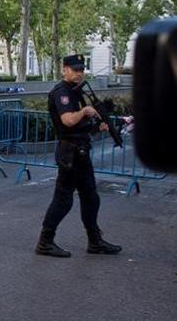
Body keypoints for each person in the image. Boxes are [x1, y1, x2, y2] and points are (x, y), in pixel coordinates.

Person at [35, 54, 122, 258]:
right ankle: (45, 241)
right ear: (64, 69)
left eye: (81, 69)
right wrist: (84, 112)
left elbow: (80, 127)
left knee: (91, 197)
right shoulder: (62, 93)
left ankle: (95, 241)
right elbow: (67, 121)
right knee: (63, 200)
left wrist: (96, 126)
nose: (78, 73)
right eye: (74, 69)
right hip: (70, 154)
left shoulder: (76, 92)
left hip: (81, 152)